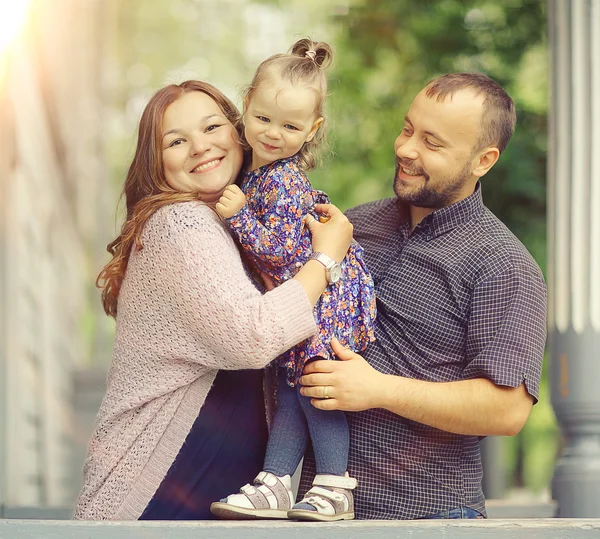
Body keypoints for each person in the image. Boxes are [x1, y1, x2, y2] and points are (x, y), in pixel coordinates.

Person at [73, 80, 353, 521]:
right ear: (156, 161)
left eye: (211, 127)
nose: (200, 147)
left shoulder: (236, 222)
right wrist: (326, 257)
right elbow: (254, 335)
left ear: (236, 130)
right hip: (156, 493)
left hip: (208, 487)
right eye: (176, 141)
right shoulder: (181, 224)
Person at [298, 72, 547, 520]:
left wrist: (378, 389)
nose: (406, 149)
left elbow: (506, 410)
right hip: (318, 518)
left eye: (432, 143)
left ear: (483, 160)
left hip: (433, 518)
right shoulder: (353, 228)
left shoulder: (504, 264)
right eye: (408, 128)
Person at [210, 39, 376, 522]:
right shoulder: (257, 173)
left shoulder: (280, 181)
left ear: (313, 129)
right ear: (246, 105)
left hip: (325, 299)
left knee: (316, 388)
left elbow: (280, 251)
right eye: (262, 119)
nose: (273, 134)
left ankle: (333, 487)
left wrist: (239, 217)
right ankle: (277, 481)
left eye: (290, 126)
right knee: (291, 389)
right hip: (305, 298)